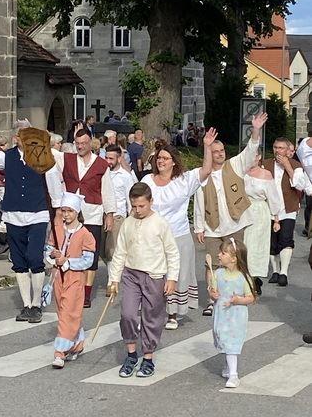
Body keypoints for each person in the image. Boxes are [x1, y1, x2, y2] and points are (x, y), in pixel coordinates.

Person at [0, 121, 63, 323]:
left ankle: (37, 304)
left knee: (35, 257)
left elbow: (52, 181)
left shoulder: (41, 155)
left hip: (37, 213)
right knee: (19, 259)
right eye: (23, 135)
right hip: (13, 214)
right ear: (16, 138)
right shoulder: (7, 156)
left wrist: (57, 210)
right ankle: (27, 305)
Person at [142, 128, 217, 329]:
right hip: (153, 237)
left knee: (176, 275)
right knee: (154, 276)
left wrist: (207, 146)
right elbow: (138, 204)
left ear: (173, 162)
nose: (161, 161)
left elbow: (206, 170)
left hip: (178, 236)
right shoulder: (147, 180)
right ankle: (152, 311)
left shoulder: (184, 180)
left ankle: (172, 314)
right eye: (159, 158)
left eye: (165, 158)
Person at [194, 113, 266, 316]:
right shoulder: (202, 174)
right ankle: (212, 299)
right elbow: (199, 202)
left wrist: (256, 129)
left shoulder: (235, 164)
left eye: (221, 150)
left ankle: (237, 295)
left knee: (236, 261)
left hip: (235, 223)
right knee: (212, 263)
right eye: (215, 151)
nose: (219, 154)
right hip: (212, 226)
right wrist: (199, 227)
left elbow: (250, 150)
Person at [109, 182, 180, 378]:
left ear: (151, 202)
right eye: (134, 206)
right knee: (128, 314)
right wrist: (114, 279)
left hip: (154, 275)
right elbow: (120, 251)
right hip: (131, 274)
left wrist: (172, 278)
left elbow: (172, 252)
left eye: (142, 206)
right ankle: (131, 355)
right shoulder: (128, 223)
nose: (138, 210)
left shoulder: (160, 223)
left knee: (151, 317)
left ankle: (148, 358)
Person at [58, 127, 117, 308]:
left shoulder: (101, 164)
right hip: (70, 215)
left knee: (90, 253)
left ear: (91, 142)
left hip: (93, 213)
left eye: (83, 143)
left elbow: (107, 190)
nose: (80, 146)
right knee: (70, 252)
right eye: (77, 143)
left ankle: (86, 293)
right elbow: (48, 155)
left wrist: (109, 214)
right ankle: (70, 288)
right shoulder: (66, 159)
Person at [46, 192, 96, 368]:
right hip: (58, 277)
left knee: (69, 312)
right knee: (63, 312)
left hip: (75, 278)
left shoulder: (85, 234)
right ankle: (76, 342)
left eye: (69, 211)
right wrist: (53, 256)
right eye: (63, 210)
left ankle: (59, 351)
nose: (66, 214)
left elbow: (88, 260)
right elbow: (48, 248)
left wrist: (68, 262)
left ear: (77, 212)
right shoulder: (57, 229)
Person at [208, 238, 256, 388]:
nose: (219, 255)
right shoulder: (218, 273)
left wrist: (238, 300)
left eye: (223, 253)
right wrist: (213, 294)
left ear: (234, 258)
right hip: (221, 315)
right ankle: (228, 366)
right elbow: (213, 291)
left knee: (231, 343)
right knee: (222, 339)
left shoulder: (243, 277)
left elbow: (251, 297)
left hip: (236, 316)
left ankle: (234, 375)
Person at [263, 138, 312, 287]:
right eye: (275, 147)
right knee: (272, 241)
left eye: (281, 148)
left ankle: (283, 273)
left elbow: (300, 185)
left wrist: (287, 166)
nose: (278, 150)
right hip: (269, 209)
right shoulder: (265, 164)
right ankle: (275, 271)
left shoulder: (296, 165)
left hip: (288, 208)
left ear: (287, 150)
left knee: (286, 238)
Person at [243, 152, 281, 294]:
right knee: (243, 245)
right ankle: (245, 277)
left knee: (255, 246)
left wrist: (276, 218)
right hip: (244, 210)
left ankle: (254, 278)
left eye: (254, 156)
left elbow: (273, 197)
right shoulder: (242, 172)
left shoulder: (266, 174)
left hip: (259, 212)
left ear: (259, 157)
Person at [102, 145, 135, 295]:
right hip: (101, 215)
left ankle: (111, 282)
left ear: (119, 159)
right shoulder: (102, 173)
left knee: (112, 250)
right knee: (102, 251)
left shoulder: (125, 177)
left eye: (111, 158)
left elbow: (130, 200)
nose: (108, 161)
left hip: (117, 216)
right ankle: (116, 271)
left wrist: (131, 220)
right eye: (106, 157)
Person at [296, 134, 312, 235]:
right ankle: (308, 228)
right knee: (310, 206)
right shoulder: (306, 156)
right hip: (310, 186)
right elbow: (306, 172)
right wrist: (309, 189)